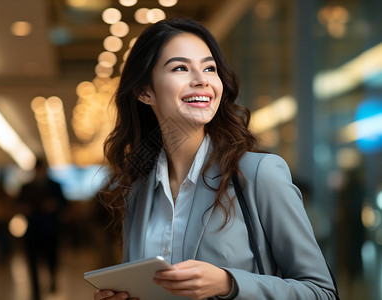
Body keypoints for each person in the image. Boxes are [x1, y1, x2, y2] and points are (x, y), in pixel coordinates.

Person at [94, 17, 339, 300]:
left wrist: (229, 283)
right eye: (181, 68)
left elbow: (322, 292)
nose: (202, 80)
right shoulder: (138, 191)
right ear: (145, 91)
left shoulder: (259, 173)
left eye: (210, 68)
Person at [17, 158, 67, 300]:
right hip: (32, 230)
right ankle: (36, 291)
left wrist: (54, 205)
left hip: (50, 230)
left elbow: (63, 204)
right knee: (32, 261)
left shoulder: (55, 186)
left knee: (52, 258)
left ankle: (52, 279)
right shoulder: (25, 187)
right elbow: (18, 204)